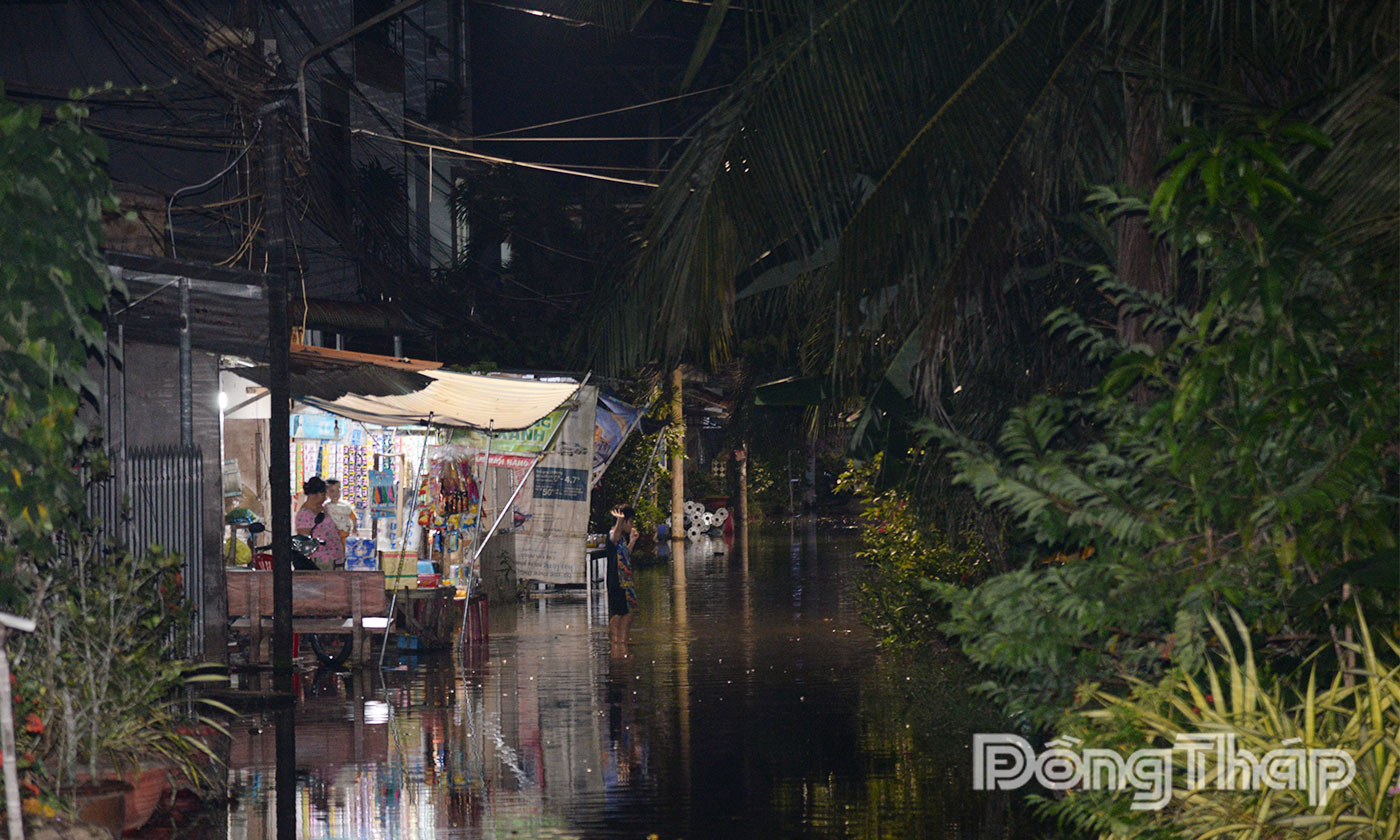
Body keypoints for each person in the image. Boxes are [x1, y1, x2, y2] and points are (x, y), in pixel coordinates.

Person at [605, 505, 640, 646]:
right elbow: (616, 535)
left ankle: (622, 640)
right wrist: (620, 520)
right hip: (618, 580)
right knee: (620, 613)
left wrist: (633, 540)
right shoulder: (613, 535)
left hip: (626, 580)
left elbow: (626, 555)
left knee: (628, 611)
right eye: (630, 521)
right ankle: (618, 641)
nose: (631, 525)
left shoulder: (622, 539)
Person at [295, 476, 345, 569]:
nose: (325, 498)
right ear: (314, 495)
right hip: (321, 562)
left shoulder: (324, 507)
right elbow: (305, 543)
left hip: (336, 559)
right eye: (323, 494)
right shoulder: (304, 515)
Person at [324, 478, 357, 550]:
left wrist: (354, 528)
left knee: (344, 550)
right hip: (330, 536)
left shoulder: (345, 506)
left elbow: (353, 517)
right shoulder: (326, 507)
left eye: (338, 491)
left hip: (344, 534)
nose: (335, 494)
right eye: (332, 491)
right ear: (326, 493)